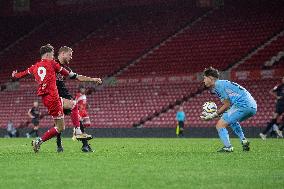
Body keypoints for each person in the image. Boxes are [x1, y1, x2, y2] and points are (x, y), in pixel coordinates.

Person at [12, 44, 101, 153]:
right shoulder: (53, 63)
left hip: (47, 98)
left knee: (62, 124)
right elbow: (73, 76)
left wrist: (15, 75)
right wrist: (92, 79)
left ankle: (39, 141)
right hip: (53, 97)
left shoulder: (35, 66)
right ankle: (75, 134)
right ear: (49, 54)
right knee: (71, 109)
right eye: (52, 54)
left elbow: (23, 74)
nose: (53, 56)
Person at [200, 67, 257, 152]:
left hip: (243, 105)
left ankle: (228, 147)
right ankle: (244, 140)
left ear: (210, 78)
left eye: (204, 78)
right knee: (231, 120)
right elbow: (229, 108)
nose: (203, 80)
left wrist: (212, 115)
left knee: (220, 125)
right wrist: (216, 115)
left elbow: (227, 105)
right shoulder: (222, 84)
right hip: (252, 106)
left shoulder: (218, 85)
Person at [56, 46, 100, 152]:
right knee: (58, 122)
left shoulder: (66, 68)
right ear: (62, 53)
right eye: (70, 55)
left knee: (78, 118)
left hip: (64, 95)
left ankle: (85, 145)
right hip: (54, 96)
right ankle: (59, 145)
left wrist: (93, 79)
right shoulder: (51, 64)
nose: (71, 57)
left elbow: (78, 77)